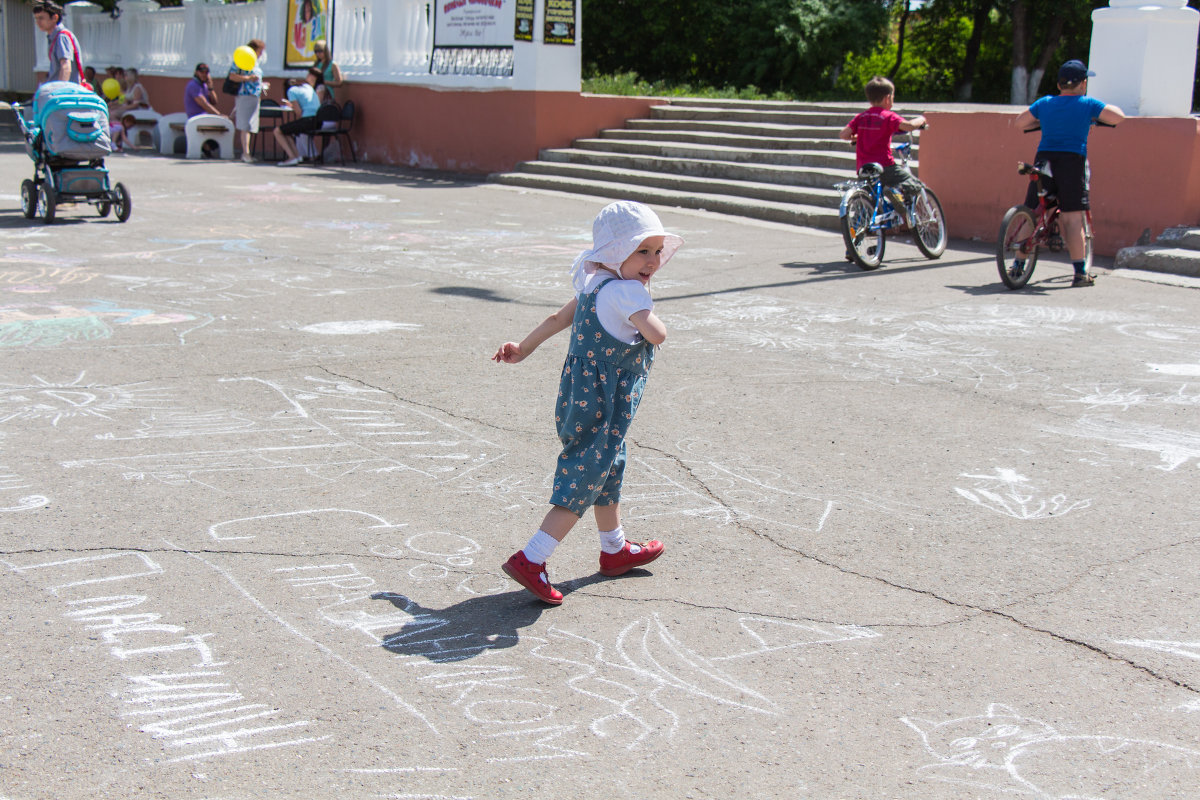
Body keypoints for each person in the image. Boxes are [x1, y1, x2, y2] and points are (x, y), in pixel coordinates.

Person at [491, 201, 682, 605]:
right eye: (641, 251)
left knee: (609, 464)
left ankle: (613, 550)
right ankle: (532, 558)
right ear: (615, 254)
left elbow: (558, 319)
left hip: (578, 396)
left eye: (656, 251)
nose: (652, 261)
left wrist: (522, 349)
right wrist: (649, 311)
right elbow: (657, 335)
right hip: (605, 400)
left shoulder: (594, 284)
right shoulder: (628, 293)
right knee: (586, 473)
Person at [1013, 59, 1125, 287]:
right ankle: (1080, 273)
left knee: (1033, 212)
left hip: (1044, 160)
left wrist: (1046, 119)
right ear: (1083, 84)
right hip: (1071, 163)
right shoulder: (1087, 104)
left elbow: (1020, 123)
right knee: (1072, 218)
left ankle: (1017, 265)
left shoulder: (1045, 103)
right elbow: (1117, 116)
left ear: (1059, 85)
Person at [840, 75, 927, 211]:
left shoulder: (862, 117)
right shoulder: (888, 116)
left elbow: (843, 134)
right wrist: (921, 119)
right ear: (887, 98)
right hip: (885, 166)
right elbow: (909, 126)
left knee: (871, 194)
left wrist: (858, 137)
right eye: (893, 97)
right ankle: (907, 206)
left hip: (863, 168)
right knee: (914, 183)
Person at [273, 67, 323, 167]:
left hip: (307, 120)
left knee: (277, 131)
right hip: (318, 120)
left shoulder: (291, 91)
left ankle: (292, 157)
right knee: (287, 131)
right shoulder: (308, 87)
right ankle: (296, 156)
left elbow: (299, 113)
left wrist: (292, 106)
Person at [230, 39, 269, 163]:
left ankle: (247, 153)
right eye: (260, 51)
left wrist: (261, 84)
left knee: (250, 125)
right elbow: (232, 76)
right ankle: (245, 153)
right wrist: (248, 78)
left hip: (254, 96)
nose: (261, 54)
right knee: (245, 125)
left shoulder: (255, 63)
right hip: (245, 95)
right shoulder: (242, 60)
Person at [33, 2, 83, 85]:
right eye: (36, 18)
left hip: (66, 92)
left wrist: (60, 90)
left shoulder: (62, 37)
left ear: (55, 18)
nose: (38, 22)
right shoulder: (55, 37)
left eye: (41, 18)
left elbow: (66, 66)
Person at [312, 39, 343, 104]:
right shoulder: (316, 64)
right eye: (316, 52)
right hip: (315, 92)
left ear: (325, 51)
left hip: (327, 93)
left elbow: (339, 82)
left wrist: (325, 82)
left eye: (320, 51)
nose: (318, 54)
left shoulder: (332, 64)